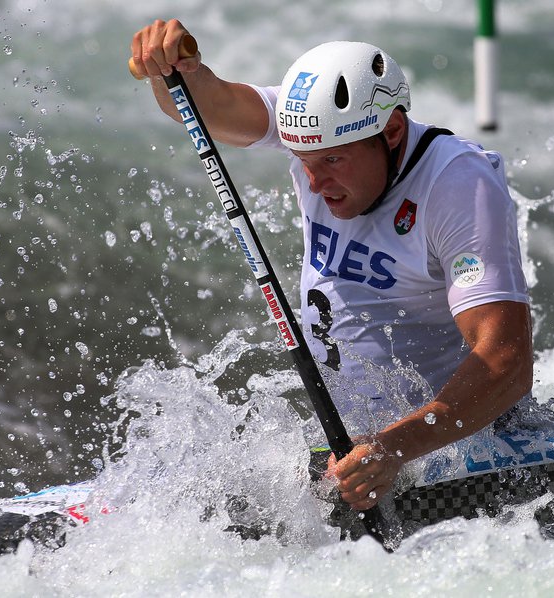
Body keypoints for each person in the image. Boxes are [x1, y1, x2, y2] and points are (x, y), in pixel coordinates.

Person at [130, 20, 533, 514]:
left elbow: (506, 364)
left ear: (391, 131)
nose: (315, 184)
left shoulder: (457, 187)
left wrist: (393, 450)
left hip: (457, 444)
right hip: (354, 445)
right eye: (303, 161)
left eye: (334, 162)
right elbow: (196, 106)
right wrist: (172, 70)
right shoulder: (322, 127)